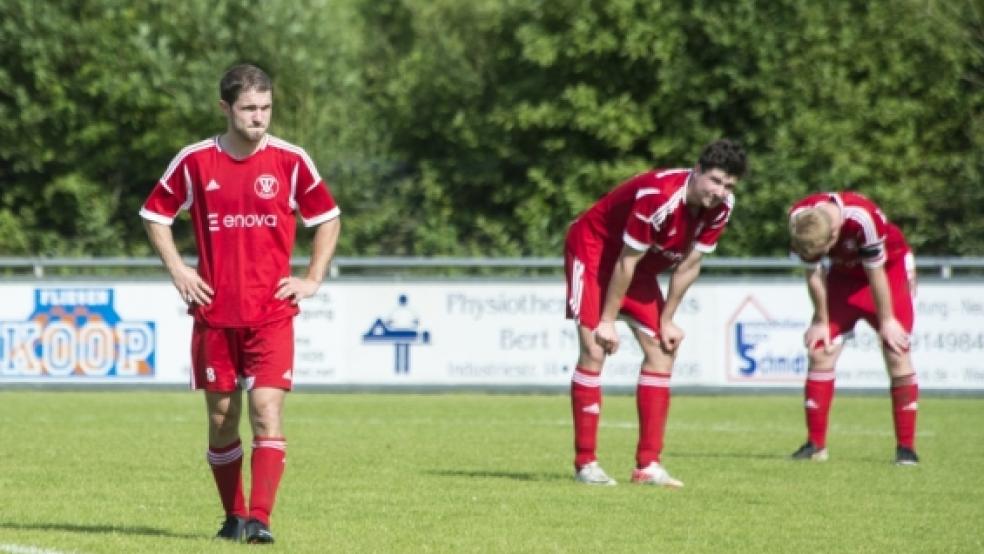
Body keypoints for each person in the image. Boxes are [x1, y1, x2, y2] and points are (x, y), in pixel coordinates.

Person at [140, 64, 341, 543]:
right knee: (221, 418)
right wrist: (179, 270)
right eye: (249, 108)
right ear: (226, 109)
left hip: (271, 314)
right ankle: (233, 516)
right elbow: (154, 214)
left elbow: (328, 218)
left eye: (266, 107)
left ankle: (261, 521)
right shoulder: (194, 162)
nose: (259, 117)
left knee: (266, 412)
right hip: (215, 313)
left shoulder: (291, 161)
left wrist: (312, 278)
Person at [564, 139, 747, 486]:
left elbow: (691, 264)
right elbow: (625, 260)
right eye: (716, 181)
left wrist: (667, 320)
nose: (721, 191)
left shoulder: (722, 208)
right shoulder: (658, 197)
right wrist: (607, 321)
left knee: (663, 350)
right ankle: (586, 464)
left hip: (637, 267)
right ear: (696, 172)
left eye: (729, 185)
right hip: (594, 254)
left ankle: (647, 466)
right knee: (593, 349)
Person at [787, 191, 919, 465]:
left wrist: (886, 321)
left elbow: (876, 272)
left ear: (834, 234)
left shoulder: (862, 218)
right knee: (820, 350)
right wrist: (821, 320)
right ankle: (816, 445)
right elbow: (813, 273)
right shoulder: (800, 220)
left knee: (896, 350)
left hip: (887, 271)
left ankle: (906, 449)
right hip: (844, 278)